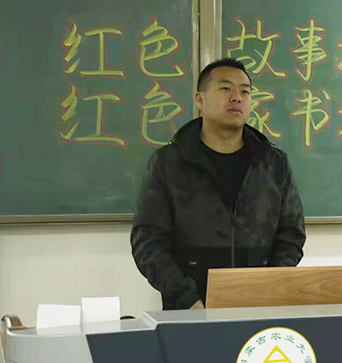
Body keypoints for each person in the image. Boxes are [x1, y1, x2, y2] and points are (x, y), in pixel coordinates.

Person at [131, 58, 306, 310]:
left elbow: (291, 235)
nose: (237, 97)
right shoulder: (169, 162)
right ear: (199, 100)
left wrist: (269, 288)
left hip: (258, 307)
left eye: (245, 91)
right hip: (189, 311)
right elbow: (148, 240)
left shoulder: (273, 163)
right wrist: (186, 298)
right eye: (225, 88)